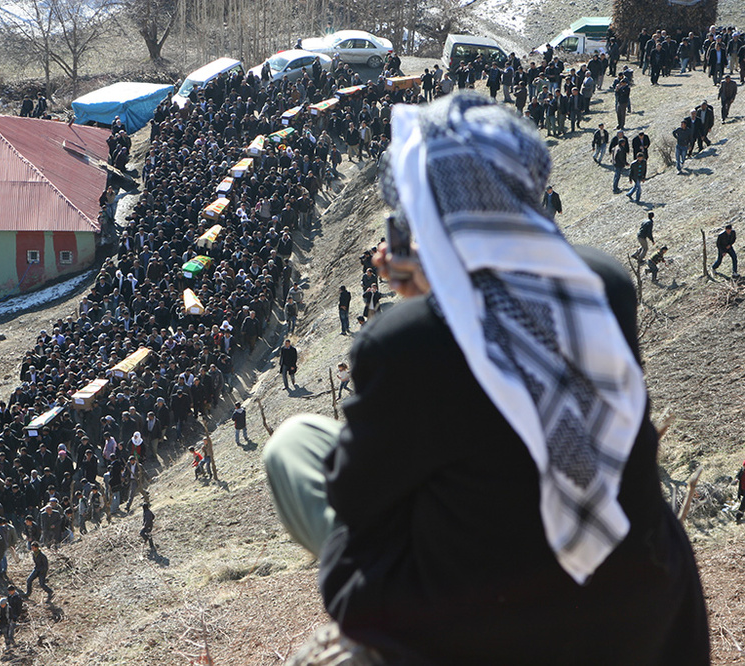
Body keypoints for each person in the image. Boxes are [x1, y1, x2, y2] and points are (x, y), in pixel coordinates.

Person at [263, 94, 708, 664]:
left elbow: (355, 496)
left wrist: (424, 302)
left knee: (292, 447)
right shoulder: (606, 287)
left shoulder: (402, 344)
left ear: (423, 215)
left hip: (484, 630)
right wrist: (444, 283)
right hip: (643, 607)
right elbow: (510, 330)